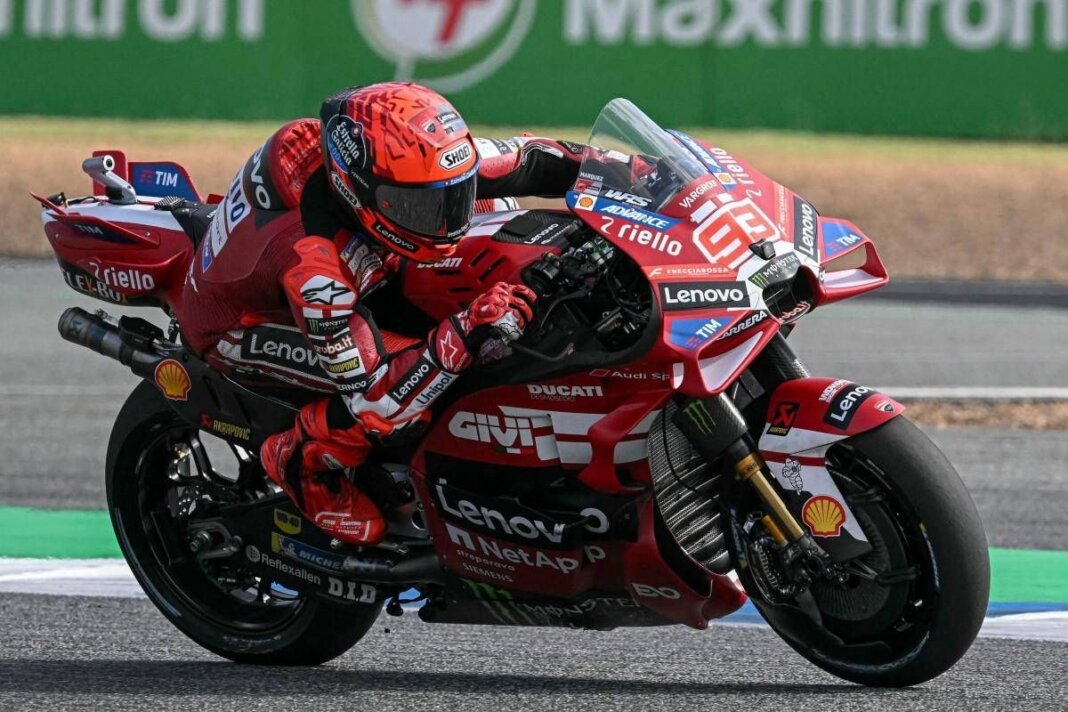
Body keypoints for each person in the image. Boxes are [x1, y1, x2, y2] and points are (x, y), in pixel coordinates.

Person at [174, 82, 584, 545]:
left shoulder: (415, 167)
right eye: (417, 205)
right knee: (416, 399)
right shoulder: (317, 271)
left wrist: (638, 172)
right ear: (359, 194)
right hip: (243, 323)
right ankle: (300, 462)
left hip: (362, 261)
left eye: (453, 194)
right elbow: (377, 398)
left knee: (497, 217)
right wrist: (465, 330)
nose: (447, 217)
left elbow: (535, 157)